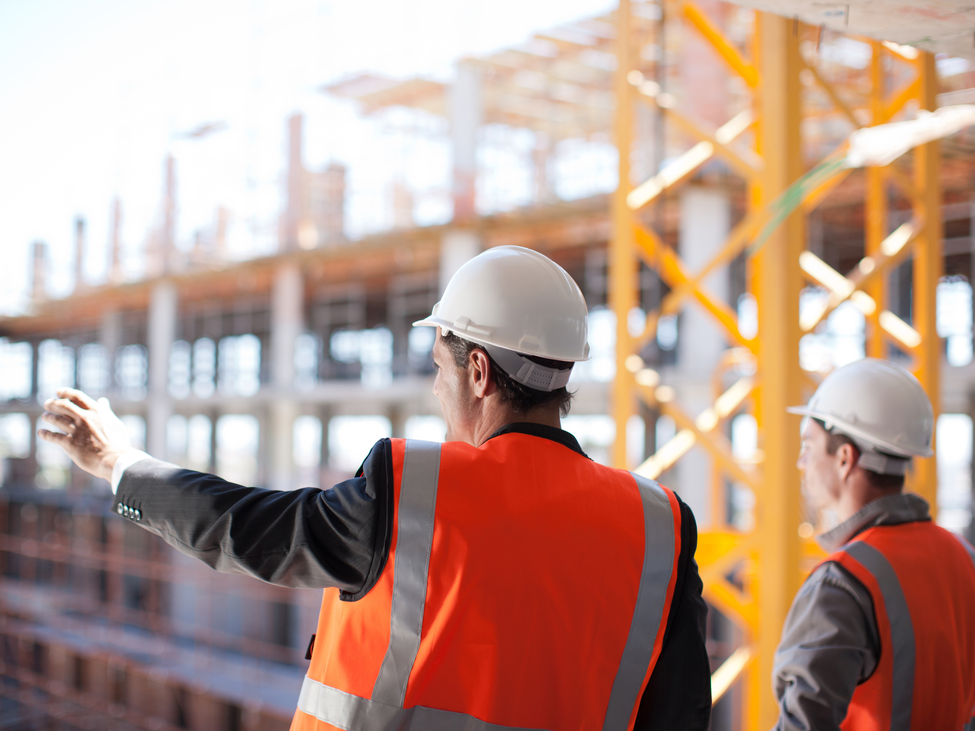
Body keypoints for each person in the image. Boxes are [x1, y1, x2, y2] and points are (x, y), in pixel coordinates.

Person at [39, 246, 711, 730]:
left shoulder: (418, 490)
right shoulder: (657, 526)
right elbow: (679, 714)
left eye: (438, 366)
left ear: (477, 371)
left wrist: (117, 461)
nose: (434, 386)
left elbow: (244, 526)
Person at [773, 358, 975, 730]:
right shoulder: (964, 557)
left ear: (845, 458)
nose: (802, 461)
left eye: (809, 445)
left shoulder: (844, 581)